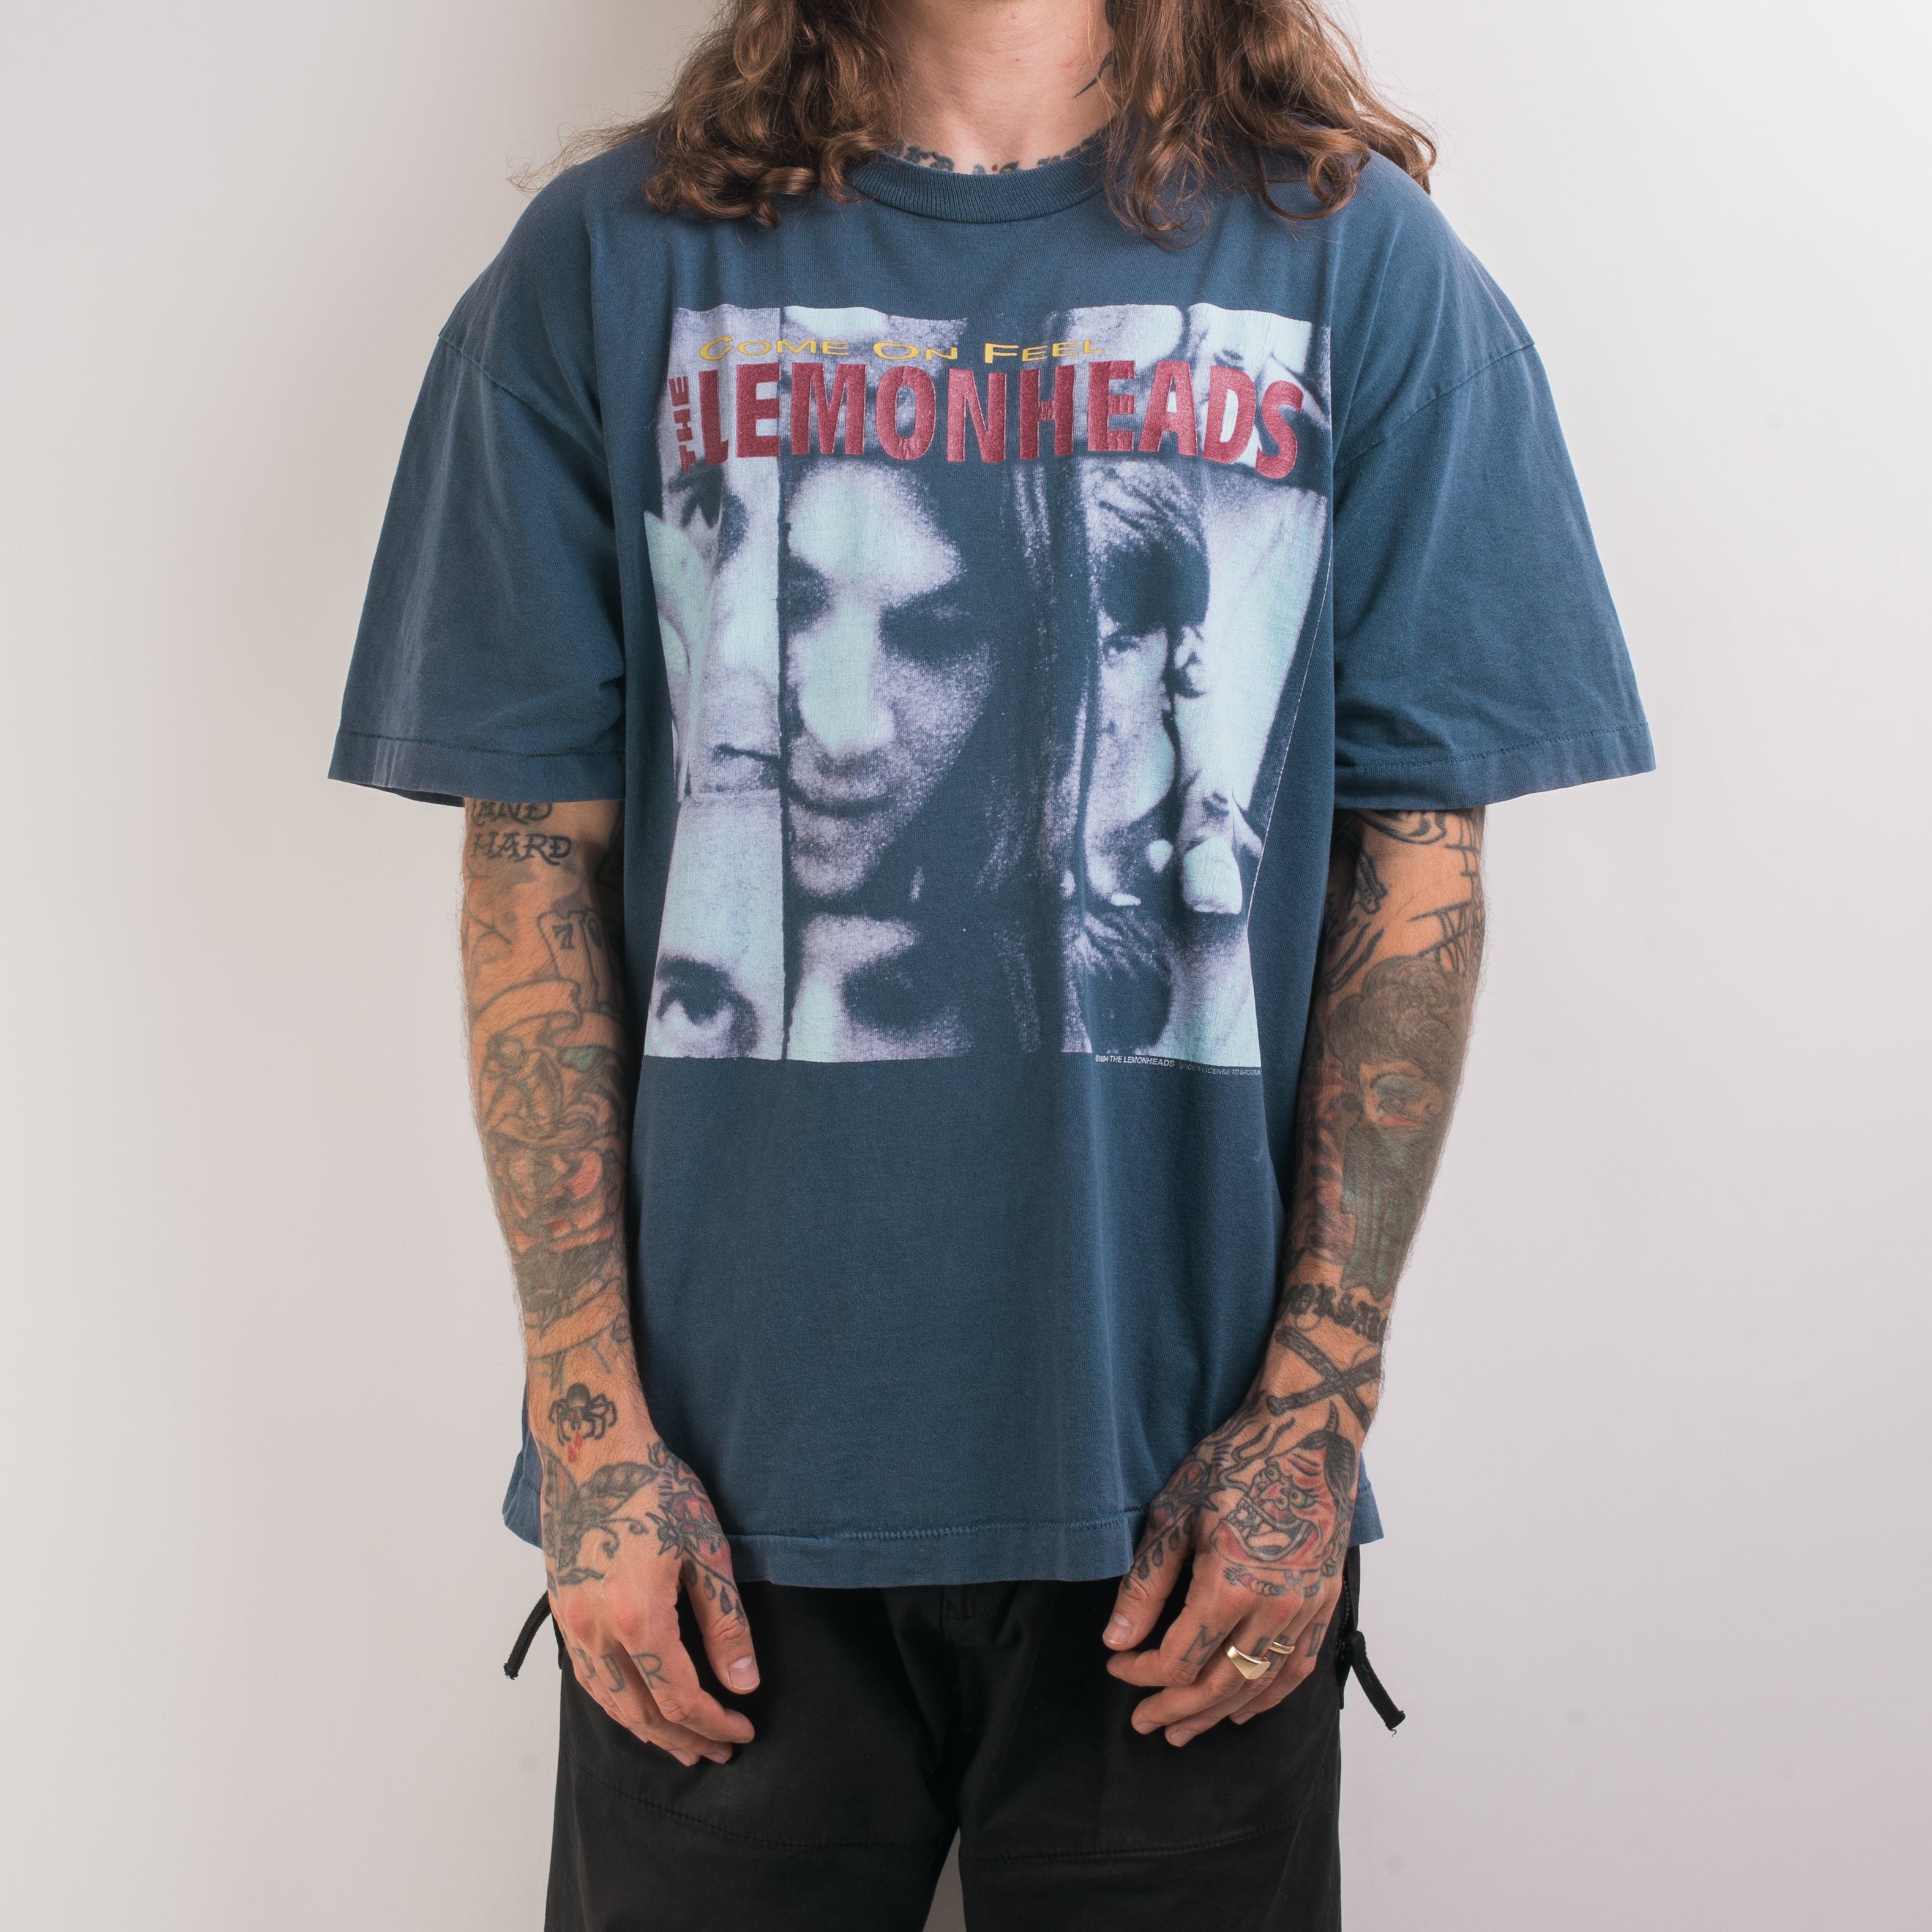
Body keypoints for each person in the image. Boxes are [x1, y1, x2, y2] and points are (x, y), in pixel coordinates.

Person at [329, 0, 1653, 1924]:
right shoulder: (608, 261)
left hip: (1186, 1502)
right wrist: (591, 1430)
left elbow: (1416, 868)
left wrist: (1307, 1421)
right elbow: (532, 859)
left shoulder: (1357, 267)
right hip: (715, 1512)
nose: (855, 696)